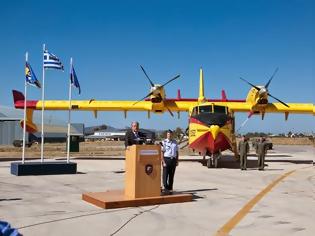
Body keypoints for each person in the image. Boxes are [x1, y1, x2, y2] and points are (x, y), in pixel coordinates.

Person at [161, 130, 179, 194]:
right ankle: (166, 188)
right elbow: (162, 153)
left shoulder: (175, 142)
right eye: (168, 134)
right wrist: (163, 161)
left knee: (171, 176)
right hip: (166, 159)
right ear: (166, 135)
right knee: (165, 175)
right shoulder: (164, 142)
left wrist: (177, 160)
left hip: (173, 160)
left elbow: (177, 152)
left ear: (172, 135)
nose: (169, 135)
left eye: (170, 134)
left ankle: (170, 189)